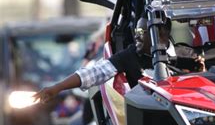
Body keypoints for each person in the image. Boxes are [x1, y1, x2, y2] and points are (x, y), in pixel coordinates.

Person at [33, 17, 200, 104]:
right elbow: (95, 73)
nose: (136, 35)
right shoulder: (130, 55)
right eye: (136, 30)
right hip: (147, 118)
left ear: (161, 34)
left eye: (142, 31)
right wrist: (57, 88)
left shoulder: (187, 55)